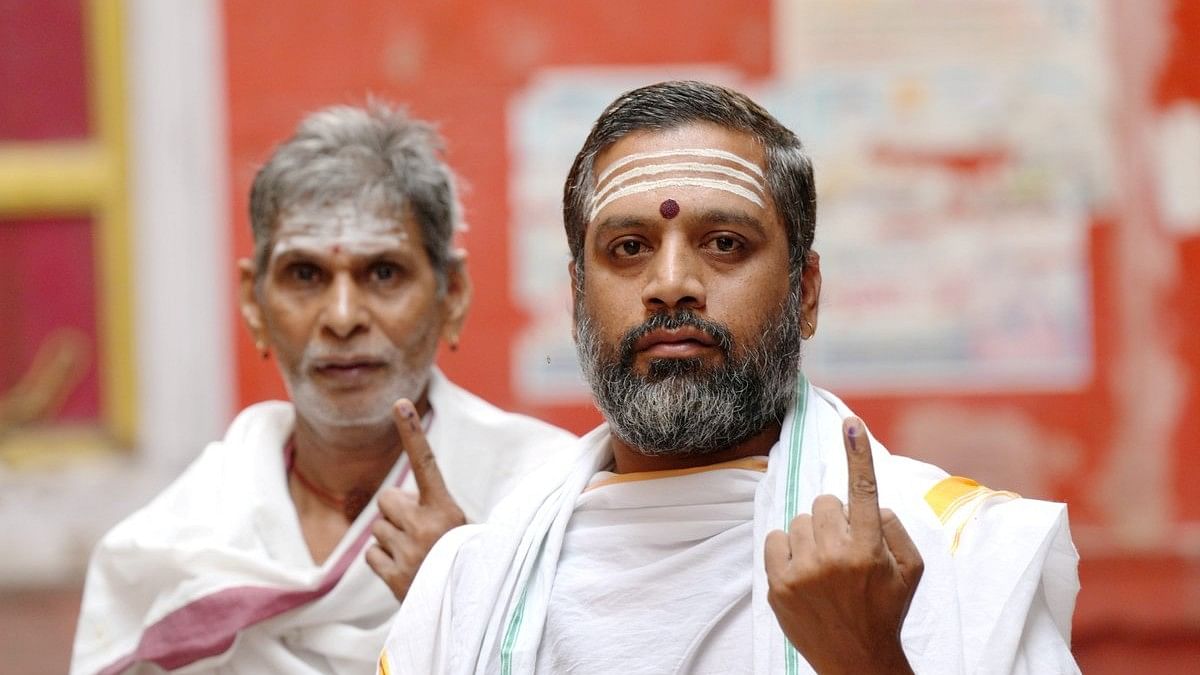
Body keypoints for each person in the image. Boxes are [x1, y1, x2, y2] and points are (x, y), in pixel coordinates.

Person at [378, 81, 1079, 674]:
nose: (672, 283)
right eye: (628, 248)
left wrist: (868, 659)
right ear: (576, 299)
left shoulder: (961, 551)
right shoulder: (468, 588)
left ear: (805, 293)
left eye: (724, 244)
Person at [71, 103, 576, 675]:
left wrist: (469, 597)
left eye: (384, 272)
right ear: (253, 303)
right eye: (305, 275)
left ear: (452, 293)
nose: (341, 318)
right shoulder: (174, 547)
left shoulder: (545, 503)